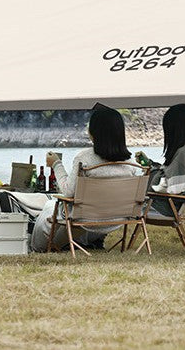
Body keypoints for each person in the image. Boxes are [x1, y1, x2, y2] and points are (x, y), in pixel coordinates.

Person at [30, 103, 140, 252]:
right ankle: (81, 243)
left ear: (93, 132)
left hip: (85, 219)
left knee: (50, 207)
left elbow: (68, 192)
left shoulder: (85, 158)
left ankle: (37, 247)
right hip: (116, 218)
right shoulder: (131, 164)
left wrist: (56, 164)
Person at [139, 103, 185, 216]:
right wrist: (153, 165)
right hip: (167, 205)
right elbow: (174, 174)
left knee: (121, 205)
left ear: (175, 129)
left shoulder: (184, 153)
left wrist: (152, 174)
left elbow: (172, 187)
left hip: (161, 207)